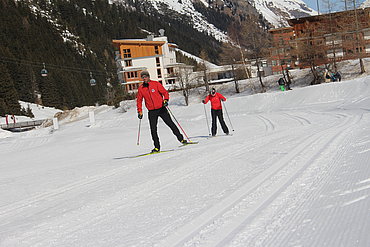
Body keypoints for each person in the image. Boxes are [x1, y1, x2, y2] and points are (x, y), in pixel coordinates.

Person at [137, 70, 187, 153]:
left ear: (148, 77)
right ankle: (157, 147)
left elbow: (165, 93)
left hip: (161, 108)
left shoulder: (155, 84)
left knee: (171, 124)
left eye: (145, 77)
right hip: (152, 111)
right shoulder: (141, 88)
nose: (144, 78)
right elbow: (139, 100)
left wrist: (166, 100)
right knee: (153, 130)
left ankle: (181, 139)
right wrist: (139, 111)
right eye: (143, 77)